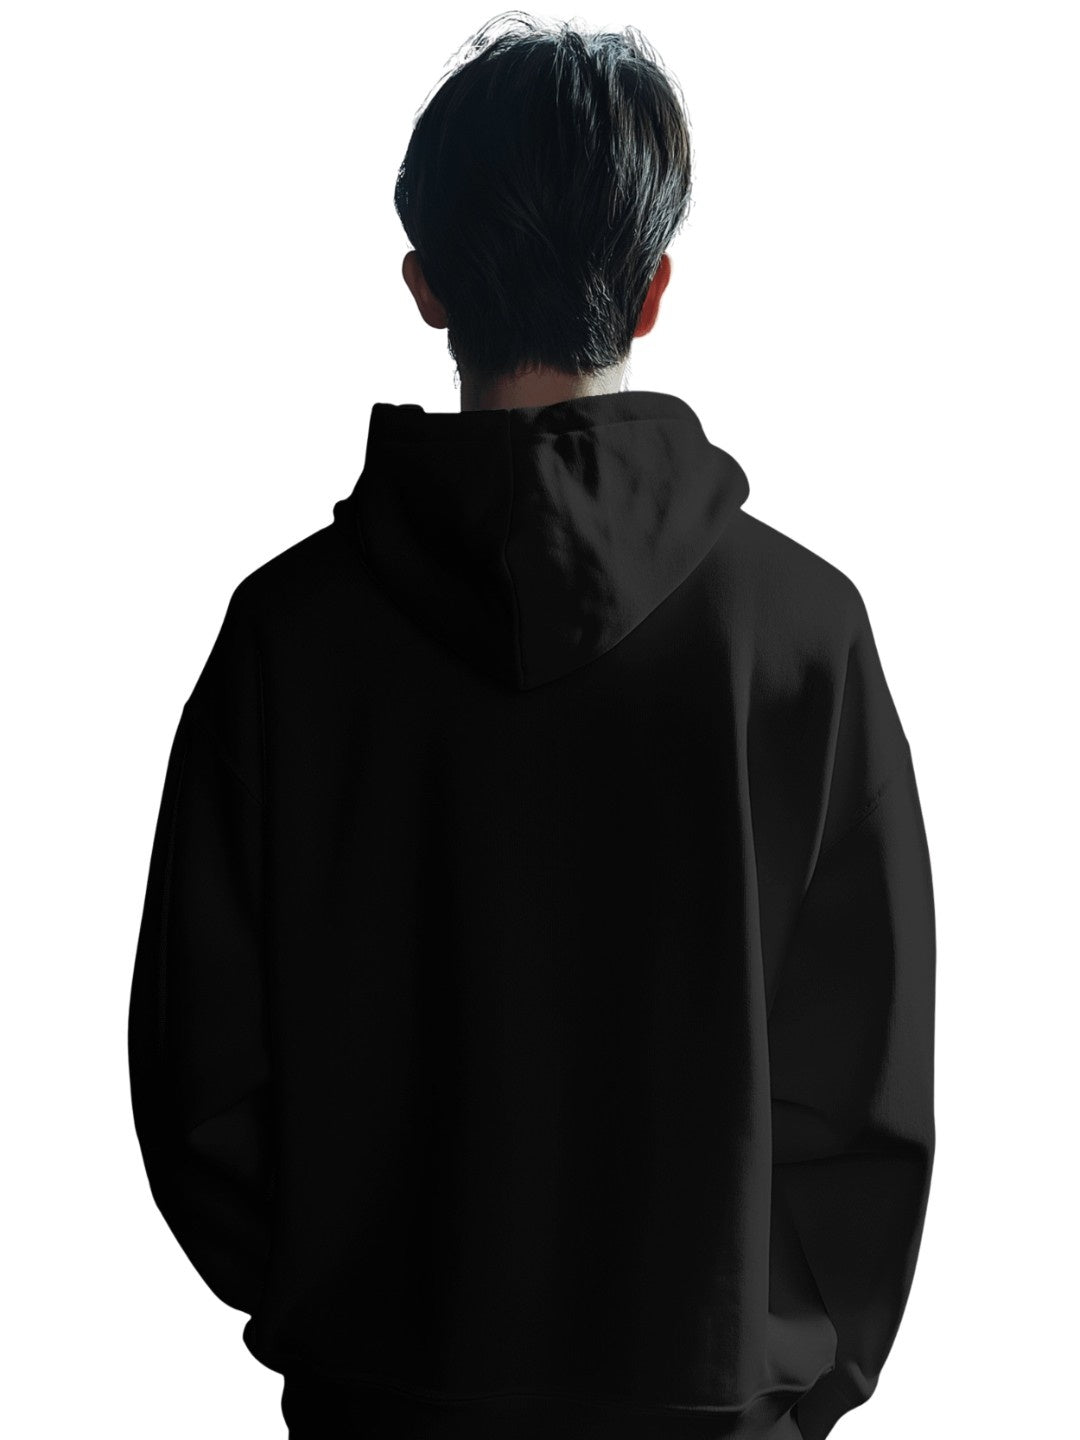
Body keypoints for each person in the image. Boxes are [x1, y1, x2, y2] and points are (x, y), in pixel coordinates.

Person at [127, 13, 936, 1440]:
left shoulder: (286, 636)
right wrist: (780, 1364)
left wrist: (340, 1302)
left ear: (426, 287)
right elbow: (866, 1077)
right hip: (712, 1404)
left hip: (381, 1399)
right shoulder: (803, 632)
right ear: (655, 290)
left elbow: (201, 1071)